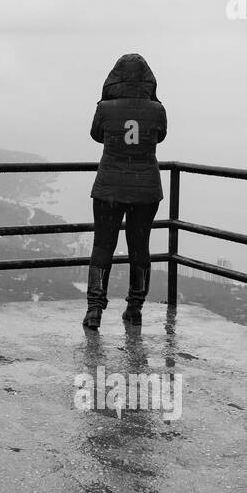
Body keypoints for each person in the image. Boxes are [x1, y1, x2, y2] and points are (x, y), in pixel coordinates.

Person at [83, 54, 167, 328]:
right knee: (140, 247)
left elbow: (96, 135)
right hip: (145, 189)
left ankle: (94, 309)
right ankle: (135, 307)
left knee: (102, 246)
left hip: (109, 187)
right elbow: (160, 135)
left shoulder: (105, 108)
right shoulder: (157, 109)